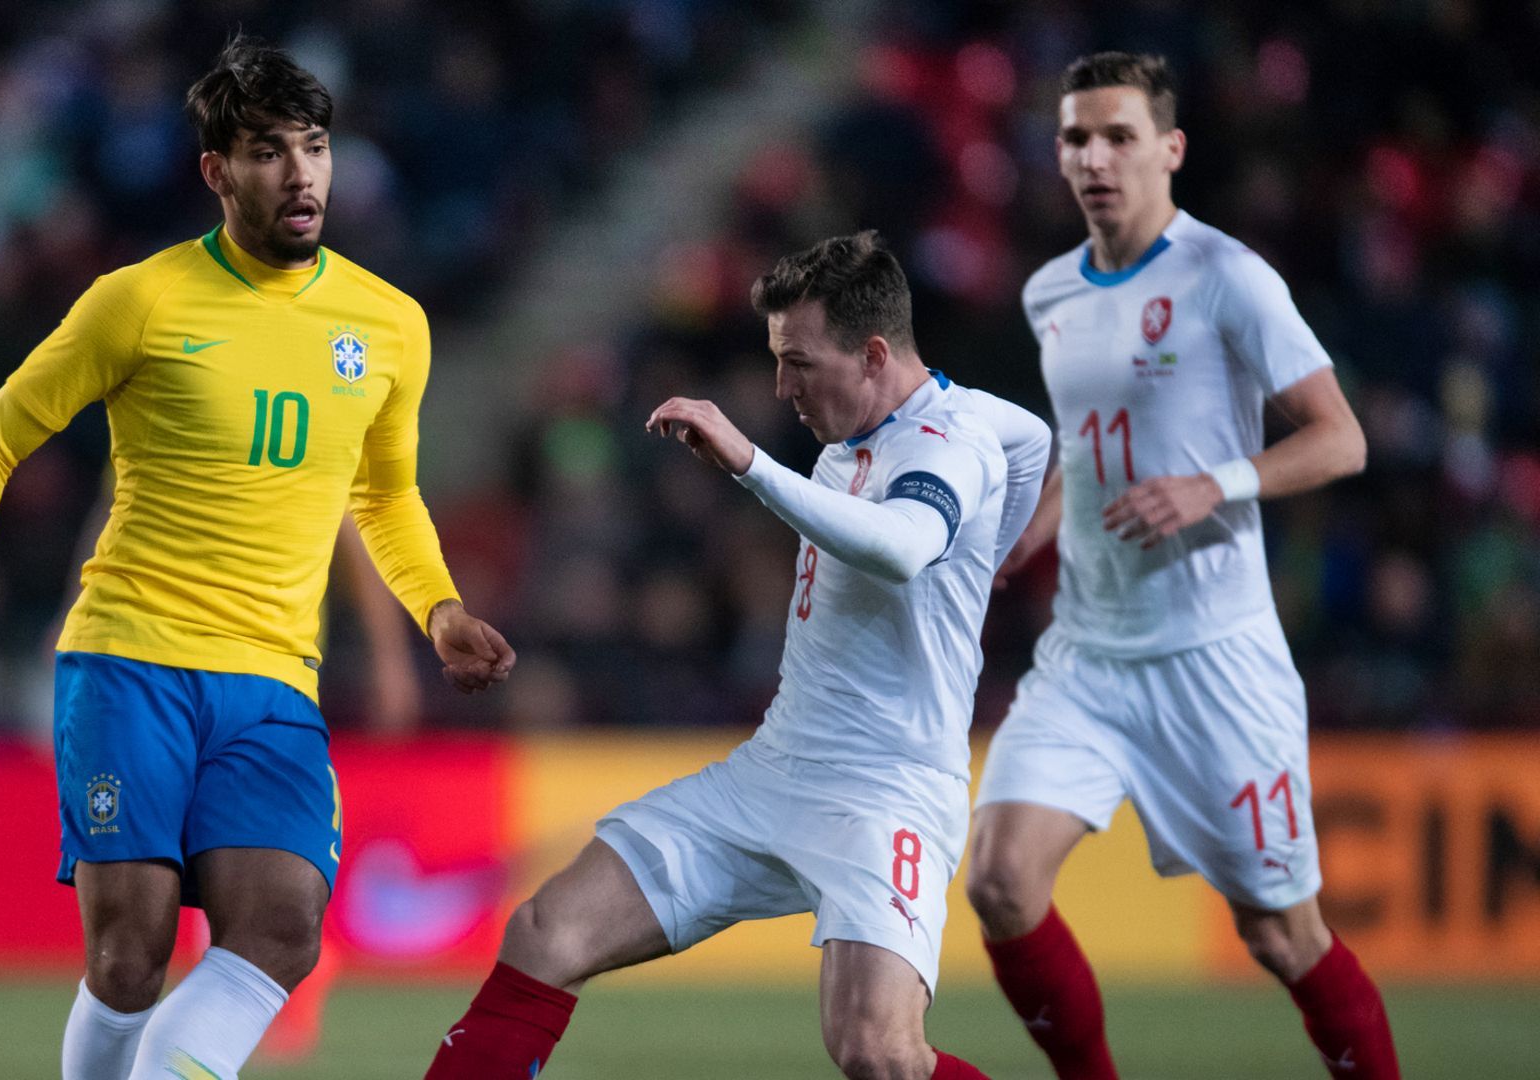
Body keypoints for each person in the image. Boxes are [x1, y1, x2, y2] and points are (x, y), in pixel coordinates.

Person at [0, 37, 514, 1080]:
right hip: (131, 660)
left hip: (271, 680)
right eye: (266, 151)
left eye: (314, 147)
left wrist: (438, 609)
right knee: (132, 953)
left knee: (287, 928)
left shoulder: (390, 324)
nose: (300, 174)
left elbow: (382, 492)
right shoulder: (142, 302)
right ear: (216, 172)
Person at [421, 231, 1050, 1080]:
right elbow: (1038, 438)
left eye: (799, 363)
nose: (782, 386)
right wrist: (994, 551)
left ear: (872, 354)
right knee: (547, 931)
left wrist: (751, 465)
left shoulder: (948, 441)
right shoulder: (887, 430)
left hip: (886, 790)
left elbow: (904, 546)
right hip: (775, 771)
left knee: (878, 1052)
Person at [969, 52, 1396, 1079]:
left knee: (1281, 937)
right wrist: (1035, 524)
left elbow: (1342, 440)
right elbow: (1087, 441)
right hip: (1090, 654)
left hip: (1215, 659)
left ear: (1171, 148)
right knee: (998, 880)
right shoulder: (1050, 292)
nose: (1095, 157)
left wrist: (1217, 483)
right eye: (1077, 137)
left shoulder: (1227, 278)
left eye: (1119, 136)